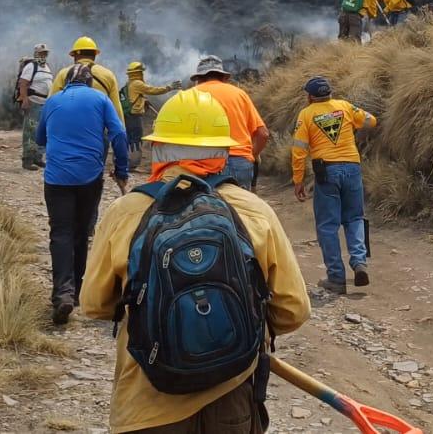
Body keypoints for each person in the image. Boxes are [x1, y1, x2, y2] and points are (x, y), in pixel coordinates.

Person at [81, 89, 310, 433]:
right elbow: (293, 310)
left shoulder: (124, 212)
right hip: (231, 400)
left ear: (159, 148)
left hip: (147, 403)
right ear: (223, 152)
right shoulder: (253, 210)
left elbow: (95, 305)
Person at [35, 63, 130, 326]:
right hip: (89, 177)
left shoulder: (52, 102)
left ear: (66, 82)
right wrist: (121, 167)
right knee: (81, 232)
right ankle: (76, 293)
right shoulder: (100, 99)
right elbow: (119, 133)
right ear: (89, 82)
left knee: (60, 233)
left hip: (56, 179)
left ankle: (62, 294)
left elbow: (39, 138)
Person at [291, 75, 378, 295]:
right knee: (354, 218)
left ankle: (337, 279)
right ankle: (359, 262)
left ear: (310, 97)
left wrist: (298, 180)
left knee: (328, 226)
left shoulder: (306, 114)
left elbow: (299, 151)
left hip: (326, 172)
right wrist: (351, 125)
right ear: (329, 93)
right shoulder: (344, 106)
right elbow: (371, 121)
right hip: (352, 168)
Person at [190, 55, 268, 190]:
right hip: (240, 163)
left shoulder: (190, 95)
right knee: (242, 209)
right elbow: (263, 134)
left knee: (205, 208)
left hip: (203, 164)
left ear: (198, 78)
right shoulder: (240, 94)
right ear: (224, 77)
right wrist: (252, 155)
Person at [51, 36, 126, 123]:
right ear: (94, 55)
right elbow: (116, 110)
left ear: (75, 56)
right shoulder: (108, 75)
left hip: (69, 128)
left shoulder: (63, 74)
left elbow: (51, 104)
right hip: (99, 131)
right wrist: (121, 132)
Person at [123, 60, 177, 170]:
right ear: (138, 73)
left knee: (130, 138)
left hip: (129, 116)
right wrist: (169, 88)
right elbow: (152, 90)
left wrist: (143, 100)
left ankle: (127, 162)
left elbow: (134, 97)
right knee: (135, 139)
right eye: (141, 72)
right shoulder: (138, 83)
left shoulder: (130, 84)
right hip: (134, 117)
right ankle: (132, 163)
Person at [17, 43, 54, 171]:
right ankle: (27, 160)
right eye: (41, 53)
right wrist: (24, 99)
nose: (43, 55)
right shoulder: (31, 66)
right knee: (31, 131)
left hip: (45, 104)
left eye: (45, 53)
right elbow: (23, 83)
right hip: (34, 102)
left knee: (43, 132)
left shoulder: (47, 67)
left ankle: (38, 158)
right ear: (36, 53)